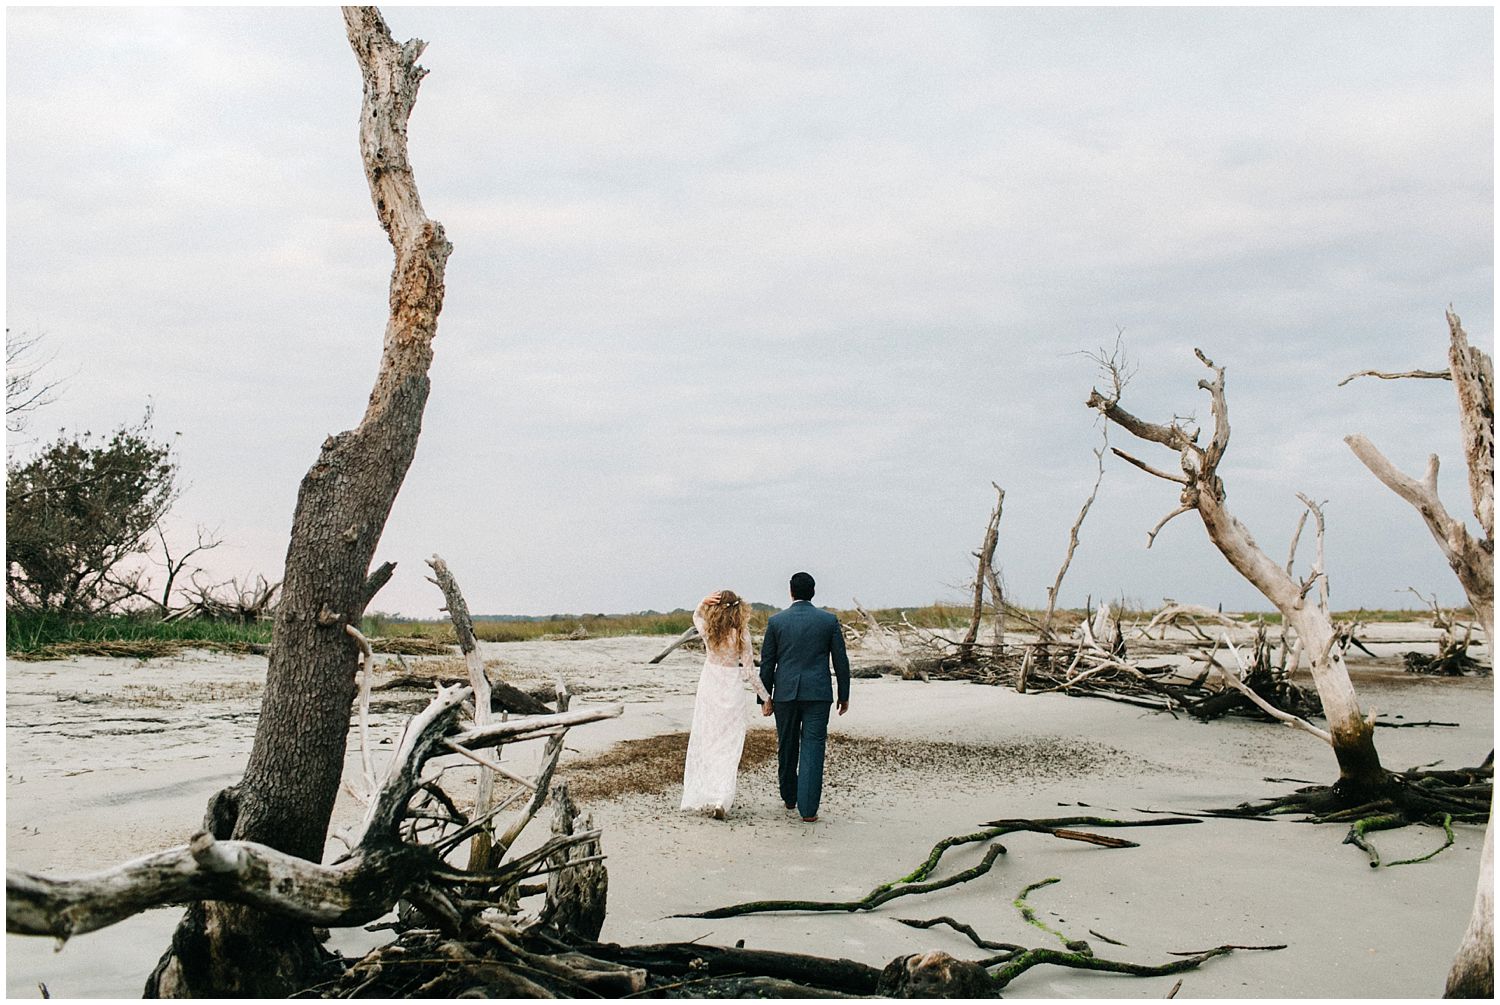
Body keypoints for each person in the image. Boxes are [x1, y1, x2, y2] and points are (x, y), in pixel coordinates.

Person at [758, 572, 850, 823]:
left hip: (785, 693)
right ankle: (808, 810)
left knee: (786, 744)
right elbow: (840, 660)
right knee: (813, 747)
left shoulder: (776, 621)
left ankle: (789, 797)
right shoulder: (828, 620)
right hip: (818, 693)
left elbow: (767, 662)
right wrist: (844, 694)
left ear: (791, 592)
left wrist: (764, 697)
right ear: (813, 592)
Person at [680, 589, 769, 820]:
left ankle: (708, 794)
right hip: (731, 687)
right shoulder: (741, 634)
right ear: (739, 609)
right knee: (729, 744)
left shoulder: (709, 631)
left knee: (708, 740)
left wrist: (702, 601)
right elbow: (749, 672)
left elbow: (696, 617)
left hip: (710, 685)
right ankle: (721, 798)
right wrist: (766, 698)